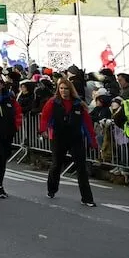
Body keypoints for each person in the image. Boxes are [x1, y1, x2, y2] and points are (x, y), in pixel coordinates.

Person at [39, 77, 97, 207]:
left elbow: (87, 124)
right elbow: (45, 116)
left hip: (75, 138)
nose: (64, 91)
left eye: (66, 88)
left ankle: (87, 198)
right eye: (61, 88)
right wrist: (43, 130)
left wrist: (92, 141)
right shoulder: (53, 102)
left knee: (81, 167)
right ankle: (52, 189)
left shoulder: (79, 104)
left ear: (70, 90)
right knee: (56, 164)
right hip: (58, 137)